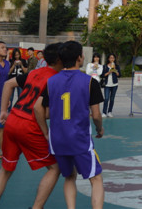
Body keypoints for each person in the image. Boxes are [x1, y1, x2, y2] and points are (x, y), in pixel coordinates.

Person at [0, 43, 64, 209]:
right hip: (30, 126)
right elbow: (42, 111)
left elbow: (8, 84)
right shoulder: (57, 79)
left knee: (5, 170)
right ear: (60, 59)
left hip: (12, 120)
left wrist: (4, 111)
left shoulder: (34, 72)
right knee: (55, 168)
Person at [36, 41, 105, 209]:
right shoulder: (90, 82)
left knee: (69, 177)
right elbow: (96, 115)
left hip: (58, 140)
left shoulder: (51, 82)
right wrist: (99, 128)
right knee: (96, 179)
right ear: (79, 58)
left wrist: (47, 130)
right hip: (79, 139)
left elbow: (42, 110)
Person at [101, 53, 120, 117]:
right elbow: (102, 75)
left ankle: (110, 112)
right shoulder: (105, 66)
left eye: (113, 58)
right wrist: (109, 71)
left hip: (114, 84)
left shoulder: (116, 66)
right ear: (108, 59)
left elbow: (119, 75)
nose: (112, 59)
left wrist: (115, 70)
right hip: (107, 85)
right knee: (106, 98)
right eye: (110, 58)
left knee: (112, 99)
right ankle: (104, 112)